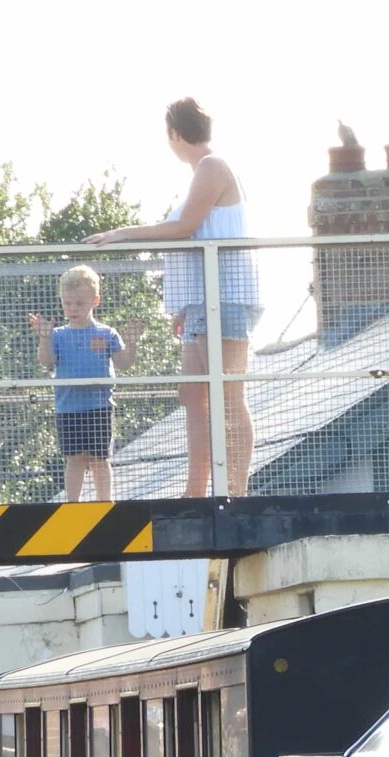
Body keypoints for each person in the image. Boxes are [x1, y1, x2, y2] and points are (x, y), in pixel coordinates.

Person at [86, 98, 261, 496]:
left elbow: (185, 227)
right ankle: (196, 488)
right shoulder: (202, 172)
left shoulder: (213, 166)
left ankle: (236, 490)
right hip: (200, 303)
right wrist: (181, 306)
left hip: (226, 297)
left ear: (175, 134)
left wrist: (124, 232)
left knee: (228, 394)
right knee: (192, 393)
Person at [28, 266, 134, 501]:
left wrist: (132, 342)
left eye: (79, 303)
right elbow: (47, 362)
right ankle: (73, 505)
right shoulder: (57, 334)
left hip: (99, 406)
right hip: (68, 407)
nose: (73, 308)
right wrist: (44, 337)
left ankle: (104, 503)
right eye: (68, 303)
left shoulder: (107, 333)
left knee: (99, 459)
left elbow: (124, 363)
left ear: (95, 301)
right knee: (75, 458)